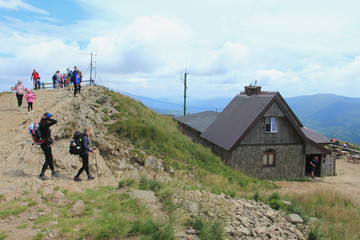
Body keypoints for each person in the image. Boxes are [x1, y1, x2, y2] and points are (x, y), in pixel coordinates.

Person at [39, 112, 59, 180]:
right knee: (48, 159)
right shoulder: (45, 125)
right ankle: (42, 174)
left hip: (44, 143)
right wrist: (47, 119)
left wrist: (46, 118)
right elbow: (55, 121)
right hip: (46, 144)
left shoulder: (41, 124)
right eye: (49, 117)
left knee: (50, 157)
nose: (50, 118)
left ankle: (53, 171)